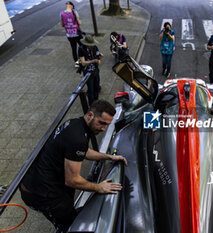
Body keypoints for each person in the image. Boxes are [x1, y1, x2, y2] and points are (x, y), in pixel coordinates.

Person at [20, 100, 128, 233]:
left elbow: (84, 151)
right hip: (41, 193)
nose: (104, 129)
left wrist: (108, 157)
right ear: (90, 115)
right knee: (68, 224)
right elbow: (72, 180)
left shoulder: (76, 124)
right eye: (102, 123)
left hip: (46, 180)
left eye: (107, 125)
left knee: (68, 210)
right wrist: (98, 187)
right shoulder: (77, 138)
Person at [78, 35, 103, 106]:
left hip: (95, 70)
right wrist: (93, 61)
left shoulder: (95, 47)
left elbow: (98, 60)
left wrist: (99, 58)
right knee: (90, 90)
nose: (91, 46)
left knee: (96, 87)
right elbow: (83, 63)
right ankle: (91, 105)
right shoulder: (81, 49)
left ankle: (96, 102)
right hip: (88, 72)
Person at [60, 1, 82, 68]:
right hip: (77, 33)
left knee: (73, 48)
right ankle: (84, 59)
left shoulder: (62, 13)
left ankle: (76, 62)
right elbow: (79, 23)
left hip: (69, 35)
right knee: (82, 46)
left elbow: (62, 25)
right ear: (72, 6)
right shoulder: (74, 12)